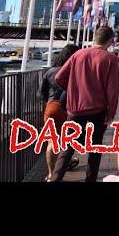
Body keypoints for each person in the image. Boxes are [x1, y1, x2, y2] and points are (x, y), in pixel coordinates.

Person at [50, 26, 119, 182]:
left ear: (95, 37)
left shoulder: (78, 54)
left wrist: (74, 89)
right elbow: (112, 91)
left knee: (68, 146)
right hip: (98, 109)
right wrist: (111, 114)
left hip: (75, 108)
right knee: (95, 147)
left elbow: (59, 77)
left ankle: (55, 178)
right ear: (110, 40)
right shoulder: (111, 60)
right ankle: (90, 179)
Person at [40, 44, 79, 182]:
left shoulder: (50, 71)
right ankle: (64, 165)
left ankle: (51, 174)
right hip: (68, 108)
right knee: (67, 140)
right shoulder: (74, 71)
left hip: (51, 107)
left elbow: (42, 93)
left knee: (52, 141)